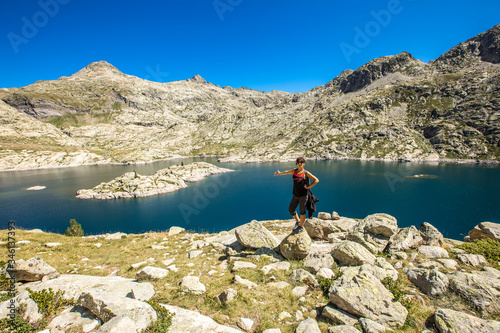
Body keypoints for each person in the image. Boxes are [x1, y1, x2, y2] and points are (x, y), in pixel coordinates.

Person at [274, 157, 319, 232]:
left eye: (301, 162)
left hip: (303, 196)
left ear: (304, 163)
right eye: (298, 162)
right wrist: (279, 173)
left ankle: (301, 226)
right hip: (295, 195)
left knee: (302, 211)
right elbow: (287, 172)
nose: (299, 164)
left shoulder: (305, 173)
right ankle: (298, 221)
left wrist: (309, 186)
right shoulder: (295, 171)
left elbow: (316, 180)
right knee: (291, 210)